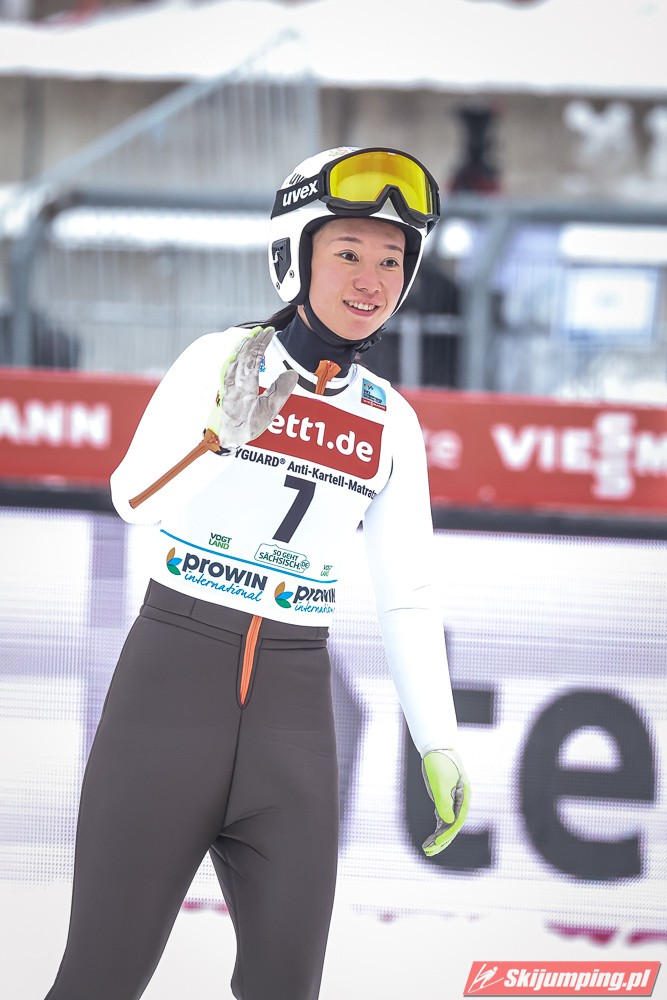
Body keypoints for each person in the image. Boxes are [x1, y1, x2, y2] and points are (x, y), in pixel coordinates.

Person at [43, 146, 471, 1000]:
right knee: (99, 980)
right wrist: (218, 437)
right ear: (294, 254)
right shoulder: (222, 359)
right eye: (347, 252)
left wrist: (438, 739)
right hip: (170, 691)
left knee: (286, 988)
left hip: (294, 716)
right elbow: (132, 498)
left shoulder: (391, 420)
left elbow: (408, 597)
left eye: (392, 261)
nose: (370, 280)